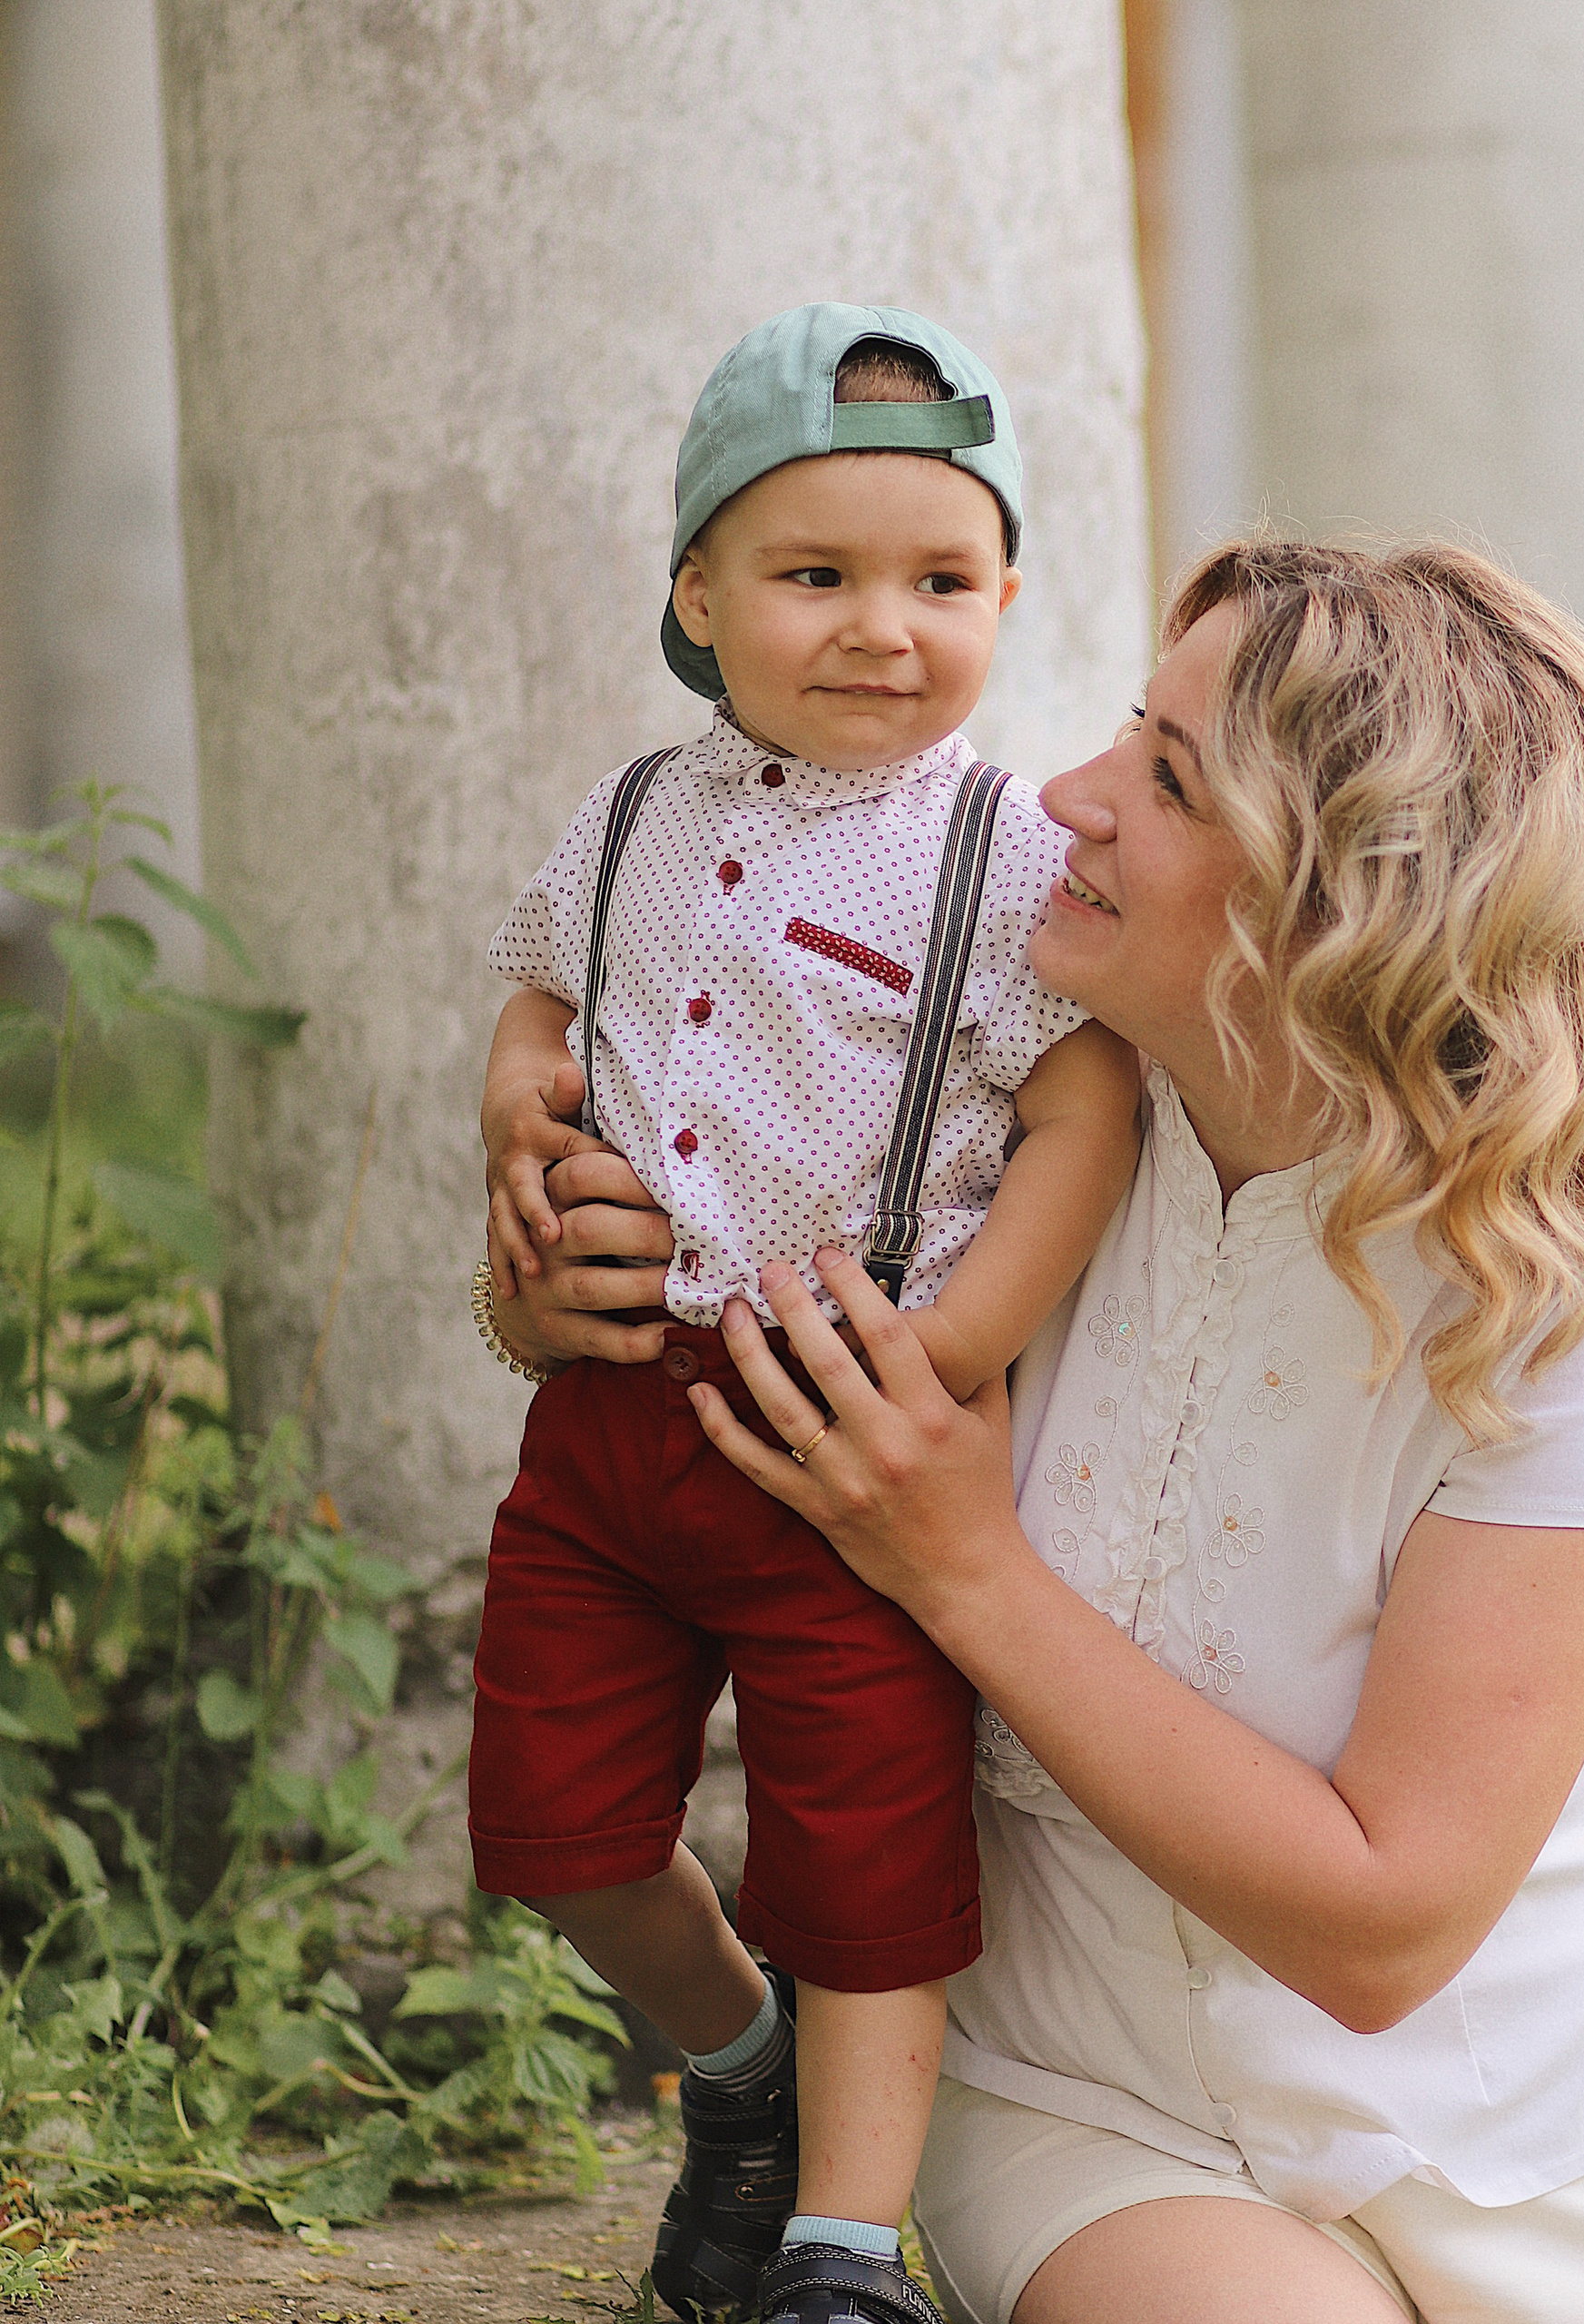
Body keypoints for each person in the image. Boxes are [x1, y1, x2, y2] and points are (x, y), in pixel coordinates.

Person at [489, 538, 1584, 2323]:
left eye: (1164, 778)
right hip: (1086, 2107)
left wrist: (963, 1565)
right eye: (1121, 728)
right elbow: (672, 1259)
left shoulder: (1582, 1270)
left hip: (1515, 2120)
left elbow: (1386, 1921)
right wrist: (551, 1289)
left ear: (1343, 900)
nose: (1064, 797)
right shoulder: (974, 1134)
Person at [471, 302, 1141, 2324]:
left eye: (940, 581)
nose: (881, 627)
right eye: (814, 575)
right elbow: (537, 983)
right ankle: (736, 2069)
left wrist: (952, 1353)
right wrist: (515, 1099)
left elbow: (1080, 1101)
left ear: (1005, 596)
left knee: (864, 1854)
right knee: (553, 1823)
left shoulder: (1004, 859)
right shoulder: (625, 815)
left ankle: (845, 2247)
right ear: (698, 590)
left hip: (847, 1427)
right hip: (608, 1418)